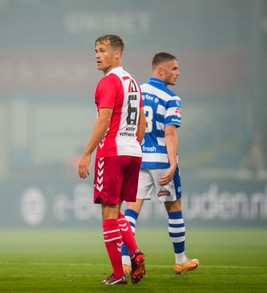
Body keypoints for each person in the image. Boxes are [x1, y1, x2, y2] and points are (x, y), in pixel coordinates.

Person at [121, 52, 199, 275]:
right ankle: (180, 259)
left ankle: (125, 261)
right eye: (174, 68)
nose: (178, 73)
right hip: (162, 161)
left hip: (138, 159)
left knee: (131, 212)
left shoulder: (135, 93)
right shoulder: (170, 98)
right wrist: (172, 163)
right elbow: (170, 133)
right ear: (161, 71)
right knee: (174, 209)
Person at [78, 34, 147, 285]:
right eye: (95, 50)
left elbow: (104, 120)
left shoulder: (108, 82)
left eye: (103, 50)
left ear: (117, 54)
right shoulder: (133, 82)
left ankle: (118, 274)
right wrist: (131, 142)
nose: (97, 55)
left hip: (112, 151)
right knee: (117, 211)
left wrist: (87, 153)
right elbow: (143, 123)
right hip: (133, 152)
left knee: (108, 213)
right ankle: (136, 253)